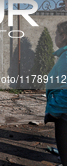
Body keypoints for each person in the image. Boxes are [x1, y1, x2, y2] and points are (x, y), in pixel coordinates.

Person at [45, 21, 67, 165]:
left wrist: (54, 110)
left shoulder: (66, 57)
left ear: (63, 36)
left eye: (55, 34)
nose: (54, 37)